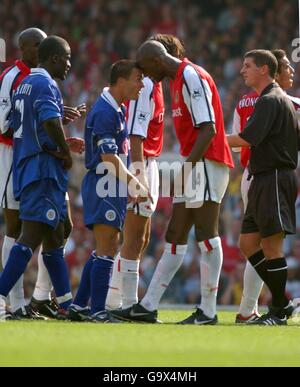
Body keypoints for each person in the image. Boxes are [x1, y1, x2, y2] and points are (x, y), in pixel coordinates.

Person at [112, 36, 233, 324]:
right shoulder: (178, 80)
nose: (145, 77)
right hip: (195, 163)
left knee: (206, 235)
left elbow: (208, 128)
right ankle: (148, 305)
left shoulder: (191, 75)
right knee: (175, 234)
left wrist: (187, 169)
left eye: (145, 69)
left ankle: (208, 311)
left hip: (207, 162)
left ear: (157, 61)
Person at [0, 28, 85, 319]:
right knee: (31, 236)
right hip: (42, 169)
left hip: (28, 165)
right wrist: (63, 151)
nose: (69, 65)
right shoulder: (45, 85)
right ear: (53, 58)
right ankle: (1, 297)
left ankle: (64, 303)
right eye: (67, 59)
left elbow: (22, 122)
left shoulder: (25, 84)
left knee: (56, 233)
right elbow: (48, 121)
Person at [68, 60, 150, 322]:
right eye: (138, 79)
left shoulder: (116, 108)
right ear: (122, 80)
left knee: (105, 246)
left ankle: (81, 305)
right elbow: (108, 157)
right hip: (104, 184)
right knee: (107, 248)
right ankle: (98, 311)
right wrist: (133, 183)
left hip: (109, 184)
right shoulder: (106, 111)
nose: (141, 85)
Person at [227, 49, 299, 325]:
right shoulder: (273, 100)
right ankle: (281, 303)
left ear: (264, 70)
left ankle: (278, 311)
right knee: (248, 243)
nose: (242, 70)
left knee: (271, 246)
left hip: (275, 176)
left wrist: (213, 140)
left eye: (248, 66)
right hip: (262, 177)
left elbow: (248, 137)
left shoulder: (270, 100)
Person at [105, 75, 164, 311]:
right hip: (141, 162)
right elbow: (136, 134)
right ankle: (128, 303)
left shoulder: (155, 86)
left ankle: (111, 301)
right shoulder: (147, 85)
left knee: (142, 239)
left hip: (150, 162)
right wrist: (138, 175)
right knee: (133, 239)